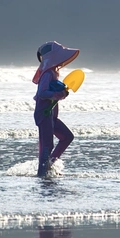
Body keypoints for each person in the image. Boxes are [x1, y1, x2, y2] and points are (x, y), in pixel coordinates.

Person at [33, 41, 80, 177]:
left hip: (51, 115)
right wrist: (58, 94)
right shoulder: (47, 74)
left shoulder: (53, 72)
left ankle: (50, 165)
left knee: (67, 137)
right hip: (44, 113)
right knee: (47, 146)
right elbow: (42, 93)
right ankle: (42, 172)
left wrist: (61, 93)